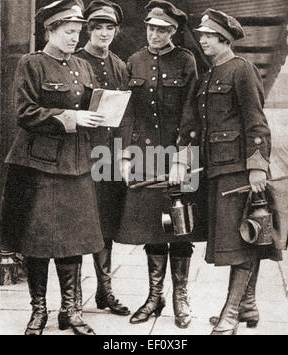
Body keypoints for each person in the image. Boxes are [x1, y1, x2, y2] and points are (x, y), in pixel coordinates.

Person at [0, 0, 107, 336]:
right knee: (39, 240)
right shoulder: (32, 64)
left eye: (77, 33)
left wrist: (103, 112)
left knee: (73, 241)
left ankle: (71, 311)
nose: (75, 38)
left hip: (76, 164)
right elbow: (24, 113)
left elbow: (89, 107)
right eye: (69, 32)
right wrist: (72, 119)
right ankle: (39, 311)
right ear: (51, 30)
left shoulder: (82, 67)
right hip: (40, 165)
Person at [191, 8, 282, 335]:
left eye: (208, 36)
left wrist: (257, 166)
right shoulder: (211, 73)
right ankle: (247, 305)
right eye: (201, 36)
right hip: (218, 170)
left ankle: (230, 315)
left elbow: (256, 123)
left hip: (240, 172)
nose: (202, 40)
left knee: (241, 242)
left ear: (224, 38)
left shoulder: (241, 70)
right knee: (247, 236)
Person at [117, 0, 199, 329]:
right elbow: (126, 111)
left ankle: (180, 296)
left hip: (177, 155)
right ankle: (154, 297)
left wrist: (182, 156)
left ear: (174, 32)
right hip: (144, 156)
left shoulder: (186, 61)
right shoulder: (134, 60)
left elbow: (191, 110)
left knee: (177, 228)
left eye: (162, 30)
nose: (155, 34)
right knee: (154, 227)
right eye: (151, 28)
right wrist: (123, 153)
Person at [75, 0, 130, 317]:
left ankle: (104, 291)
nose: (104, 33)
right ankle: (75, 298)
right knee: (80, 226)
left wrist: (123, 155)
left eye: (110, 28)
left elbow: (124, 116)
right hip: (80, 155)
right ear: (88, 30)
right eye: (98, 28)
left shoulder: (120, 65)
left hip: (108, 157)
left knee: (106, 225)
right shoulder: (76, 61)